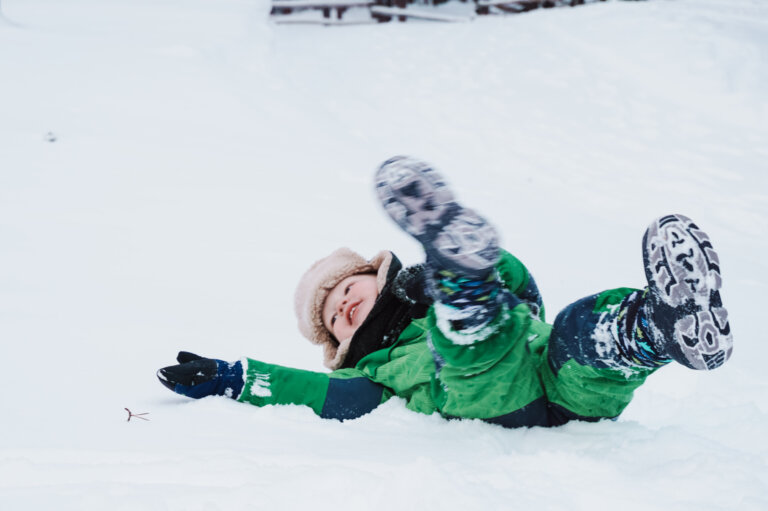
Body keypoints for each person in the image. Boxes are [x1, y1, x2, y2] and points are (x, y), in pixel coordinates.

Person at [157, 156, 733, 427]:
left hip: (567, 387)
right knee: (465, 346)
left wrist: (490, 268)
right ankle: (464, 293)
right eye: (333, 318)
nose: (344, 306)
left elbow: (523, 290)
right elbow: (314, 393)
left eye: (348, 289)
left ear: (380, 277)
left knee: (582, 326)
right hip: (489, 397)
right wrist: (235, 377)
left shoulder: (418, 294)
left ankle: (663, 327)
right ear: (338, 344)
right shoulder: (368, 370)